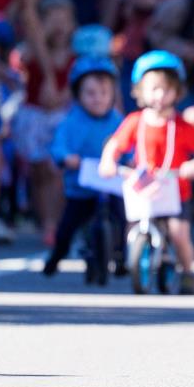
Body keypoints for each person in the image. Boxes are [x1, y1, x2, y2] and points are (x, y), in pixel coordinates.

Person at [102, 50, 194, 294]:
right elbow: (115, 144)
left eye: (167, 89)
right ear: (141, 90)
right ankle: (128, 256)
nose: (161, 95)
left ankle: (188, 271)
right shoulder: (135, 121)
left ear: (177, 91)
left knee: (179, 233)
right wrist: (109, 161)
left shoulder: (181, 125)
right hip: (144, 187)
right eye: (154, 88)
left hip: (174, 190)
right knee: (131, 221)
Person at [44, 56, 128, 283]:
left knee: (122, 218)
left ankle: (121, 255)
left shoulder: (118, 121)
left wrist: (130, 161)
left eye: (104, 93)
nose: (98, 99)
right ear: (78, 95)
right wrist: (66, 157)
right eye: (90, 94)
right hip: (81, 188)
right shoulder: (71, 122)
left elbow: (129, 145)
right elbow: (58, 145)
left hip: (110, 186)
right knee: (67, 227)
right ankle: (57, 254)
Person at [13, 0, 77, 242]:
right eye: (52, 18)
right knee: (39, 172)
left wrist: (62, 96)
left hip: (61, 119)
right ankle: (46, 222)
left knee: (57, 172)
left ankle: (58, 223)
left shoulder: (75, 55)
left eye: (65, 19)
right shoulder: (31, 51)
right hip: (34, 118)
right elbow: (25, 59)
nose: (60, 25)